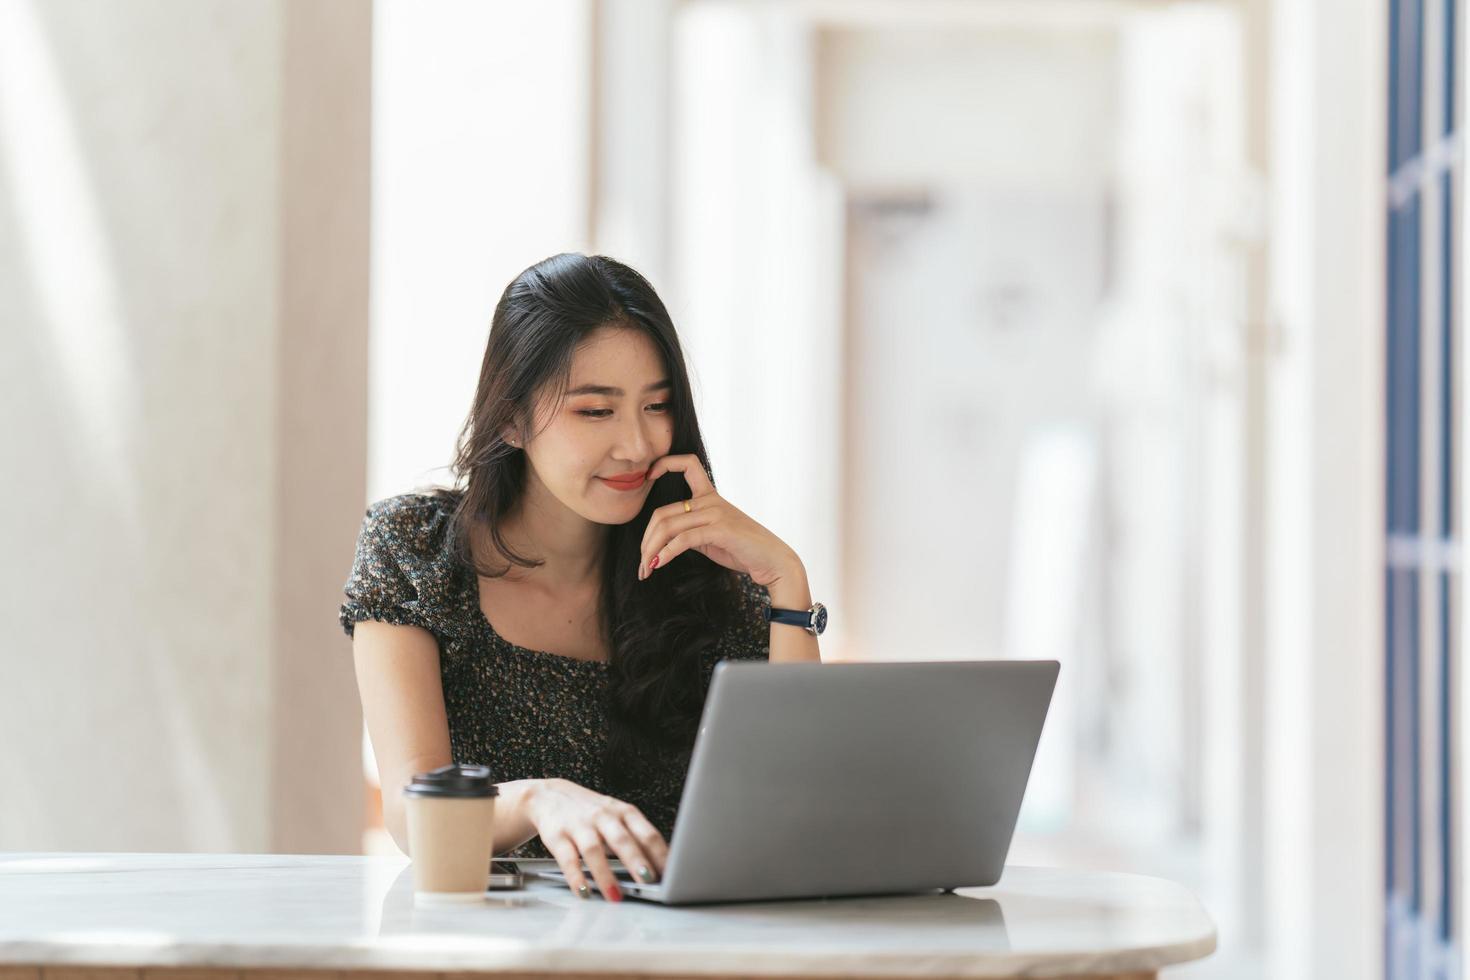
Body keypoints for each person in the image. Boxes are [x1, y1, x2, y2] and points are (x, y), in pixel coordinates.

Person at [340, 253, 824, 904]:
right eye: (596, 412)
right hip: (495, 949)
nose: (637, 444)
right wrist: (542, 798)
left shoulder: (700, 565)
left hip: (684, 949)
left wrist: (787, 587)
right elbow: (411, 809)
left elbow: (792, 813)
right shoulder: (413, 550)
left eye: (658, 405)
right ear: (510, 416)